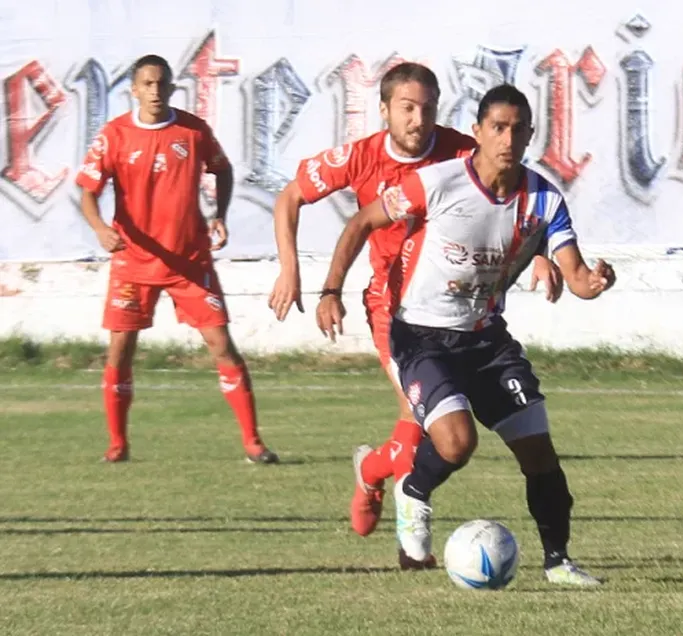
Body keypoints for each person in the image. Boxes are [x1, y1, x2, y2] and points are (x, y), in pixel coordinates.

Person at [316, 84, 615, 585]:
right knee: (457, 443)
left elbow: (579, 279)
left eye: (519, 129)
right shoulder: (437, 183)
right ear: (477, 132)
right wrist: (330, 289)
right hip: (421, 336)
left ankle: (559, 562)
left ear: (530, 136)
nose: (508, 138)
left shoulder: (543, 199)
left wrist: (599, 281)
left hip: (486, 340)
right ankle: (413, 489)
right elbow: (363, 220)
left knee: (538, 452)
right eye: (498, 127)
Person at [268, 63, 563, 562]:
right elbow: (290, 198)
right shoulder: (358, 157)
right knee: (426, 422)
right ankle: (408, 530)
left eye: (427, 108)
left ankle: (376, 472)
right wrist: (293, 272)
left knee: (429, 424)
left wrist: (538, 251)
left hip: (456, 312)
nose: (418, 119)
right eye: (407, 108)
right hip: (392, 307)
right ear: (384, 110)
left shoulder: (461, 151)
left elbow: (507, 200)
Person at [75, 54, 278, 465]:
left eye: (161, 83)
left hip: (189, 261)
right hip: (134, 262)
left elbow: (222, 170)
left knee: (222, 345)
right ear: (133, 89)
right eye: (146, 84)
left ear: (171, 88)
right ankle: (118, 443)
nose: (154, 91)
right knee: (120, 350)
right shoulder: (114, 136)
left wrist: (218, 214)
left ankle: (253, 442)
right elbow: (88, 192)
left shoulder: (192, 131)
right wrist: (99, 227)